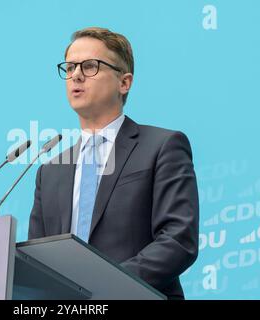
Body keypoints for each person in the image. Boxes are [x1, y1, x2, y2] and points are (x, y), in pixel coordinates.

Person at [28, 27, 199, 300]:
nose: (76, 75)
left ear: (124, 82)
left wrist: (108, 286)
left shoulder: (162, 146)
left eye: (90, 66)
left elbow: (178, 239)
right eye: (70, 67)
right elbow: (35, 261)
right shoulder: (50, 172)